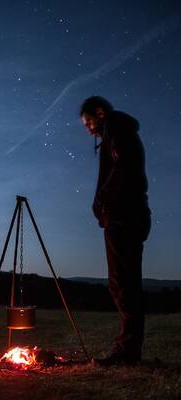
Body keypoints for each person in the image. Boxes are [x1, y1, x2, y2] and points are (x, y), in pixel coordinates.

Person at [80, 96, 151, 366]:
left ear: (99, 113)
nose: (88, 128)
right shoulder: (117, 130)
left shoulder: (116, 128)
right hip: (127, 215)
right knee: (124, 282)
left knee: (123, 283)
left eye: (88, 122)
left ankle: (127, 352)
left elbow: (124, 167)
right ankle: (129, 349)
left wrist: (103, 201)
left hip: (124, 216)